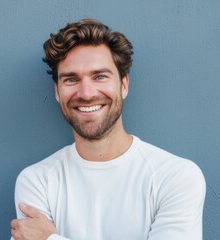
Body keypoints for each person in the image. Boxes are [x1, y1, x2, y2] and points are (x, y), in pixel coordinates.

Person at [10, 18, 206, 240]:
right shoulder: (37, 181)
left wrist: (49, 239)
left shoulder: (175, 177)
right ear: (57, 92)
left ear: (124, 85)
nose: (86, 93)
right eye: (71, 79)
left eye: (100, 76)